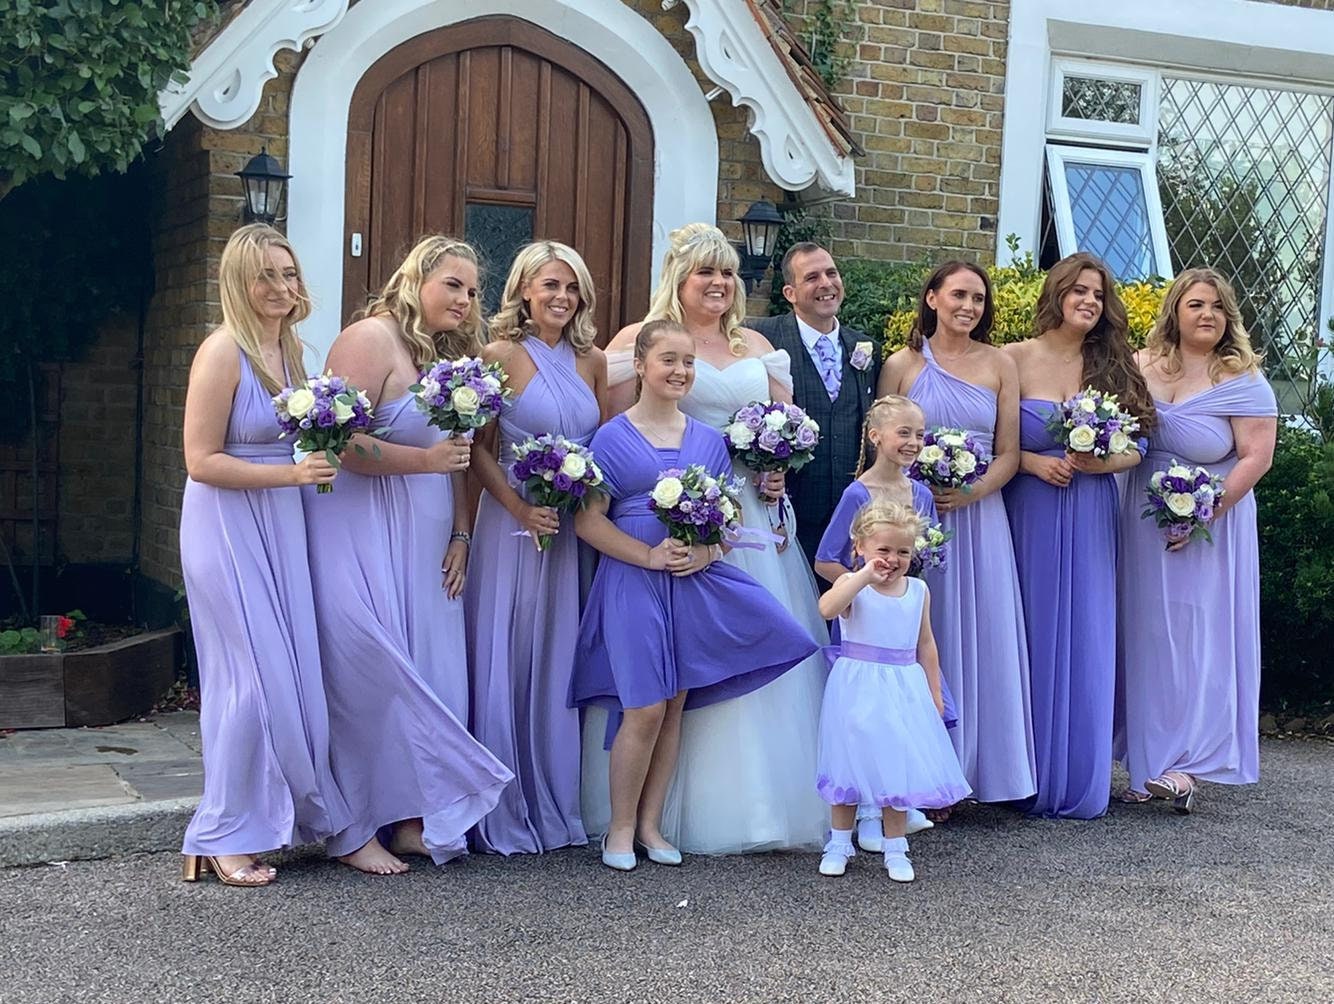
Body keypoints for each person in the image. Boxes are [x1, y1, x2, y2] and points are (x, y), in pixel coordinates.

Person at [597, 223, 829, 854]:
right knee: (673, 665)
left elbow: (788, 422)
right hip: (663, 520)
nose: (720, 283)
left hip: (747, 515)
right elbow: (612, 425)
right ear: (678, 277)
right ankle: (649, 814)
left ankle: (762, 806)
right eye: (706, 272)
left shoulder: (754, 343)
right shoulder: (639, 341)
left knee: (754, 637)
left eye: (727, 272)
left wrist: (779, 463)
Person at [304, 235, 513, 874]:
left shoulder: (452, 357)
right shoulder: (369, 339)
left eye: (474, 290)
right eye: (453, 284)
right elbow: (333, 441)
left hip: (428, 539)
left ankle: (412, 818)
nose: (466, 298)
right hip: (362, 529)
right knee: (374, 669)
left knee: (430, 670)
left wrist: (460, 531)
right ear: (416, 278)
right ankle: (356, 823)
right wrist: (420, 460)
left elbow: (455, 460)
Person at [179, 224, 350, 887]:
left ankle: (250, 821)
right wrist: (291, 475)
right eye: (266, 276)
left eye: (289, 273)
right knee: (246, 681)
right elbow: (200, 460)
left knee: (285, 677)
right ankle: (222, 833)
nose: (282, 287)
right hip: (225, 528)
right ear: (239, 282)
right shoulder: (223, 352)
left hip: (280, 523)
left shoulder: (294, 353)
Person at [1116, 268, 1277, 812]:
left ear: (1227, 316)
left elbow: (1256, 457)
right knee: (1142, 631)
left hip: (1210, 527)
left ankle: (1183, 760)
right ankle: (1144, 761)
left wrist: (1202, 512)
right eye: (1195, 305)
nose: (1206, 314)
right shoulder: (1140, 365)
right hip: (1140, 518)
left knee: (1192, 635)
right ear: (1175, 312)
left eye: (1216, 306)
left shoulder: (1244, 379)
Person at [878, 262, 1037, 811]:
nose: (968, 306)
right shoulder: (902, 363)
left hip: (980, 514)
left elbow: (1010, 450)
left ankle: (980, 770)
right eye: (958, 295)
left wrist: (971, 492)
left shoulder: (1000, 364)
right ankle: (925, 774)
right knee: (926, 632)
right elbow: (879, 442)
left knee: (983, 632)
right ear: (932, 299)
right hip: (912, 517)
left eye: (977, 299)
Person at [1002, 252, 1155, 820]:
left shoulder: (1114, 365)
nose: (1088, 301)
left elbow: (1138, 448)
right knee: (1031, 631)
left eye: (1097, 293)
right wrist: (1035, 466)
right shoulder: (1013, 359)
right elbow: (997, 445)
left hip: (1090, 510)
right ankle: (1021, 774)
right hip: (1030, 509)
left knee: (1088, 631)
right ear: (1057, 293)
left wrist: (1100, 464)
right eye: (1078, 291)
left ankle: (1079, 777)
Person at [465, 241, 606, 854]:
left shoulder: (592, 360)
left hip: (571, 527)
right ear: (524, 289)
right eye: (550, 285)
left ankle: (555, 794)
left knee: (557, 648)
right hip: (513, 522)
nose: (561, 298)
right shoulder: (499, 354)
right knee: (512, 644)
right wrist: (520, 506)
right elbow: (477, 449)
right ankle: (501, 799)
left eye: (571, 288)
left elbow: (606, 442)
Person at [815, 500, 971, 883]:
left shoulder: (917, 591)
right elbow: (827, 609)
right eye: (883, 550)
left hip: (903, 687)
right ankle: (838, 843)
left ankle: (896, 846)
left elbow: (926, 645)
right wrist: (863, 577)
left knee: (895, 768)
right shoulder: (852, 587)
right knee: (848, 765)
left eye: (902, 551)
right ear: (860, 547)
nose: (892, 559)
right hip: (857, 686)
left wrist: (935, 694)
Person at [814, 394, 943, 849]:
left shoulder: (922, 494)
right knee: (862, 728)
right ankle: (860, 821)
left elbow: (922, 555)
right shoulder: (857, 494)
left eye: (919, 434)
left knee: (897, 727)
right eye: (903, 432)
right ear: (876, 437)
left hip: (903, 622)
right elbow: (826, 559)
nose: (912, 442)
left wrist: (901, 584)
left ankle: (890, 814)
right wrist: (866, 582)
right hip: (863, 622)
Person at [749, 241, 880, 564]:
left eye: (831, 273)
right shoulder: (761, 339)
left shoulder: (866, 348)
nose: (826, 284)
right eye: (812, 277)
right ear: (790, 293)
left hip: (851, 519)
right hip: (784, 513)